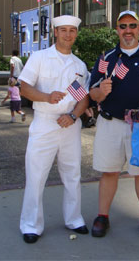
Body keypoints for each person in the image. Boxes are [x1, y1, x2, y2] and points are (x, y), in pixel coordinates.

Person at [89, 10, 139, 239]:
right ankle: (102, 216)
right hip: (111, 123)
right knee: (109, 171)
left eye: (132, 25)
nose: (128, 30)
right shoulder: (107, 58)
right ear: (117, 30)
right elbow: (92, 93)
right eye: (123, 26)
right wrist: (100, 92)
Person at [18, 15, 90, 244]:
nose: (68, 34)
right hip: (45, 122)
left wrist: (73, 115)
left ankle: (74, 218)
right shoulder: (40, 58)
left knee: (72, 174)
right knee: (36, 174)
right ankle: (31, 224)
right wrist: (47, 97)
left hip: (69, 124)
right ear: (55, 32)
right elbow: (24, 88)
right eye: (63, 30)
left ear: (76, 34)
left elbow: (83, 98)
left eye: (72, 30)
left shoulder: (79, 65)